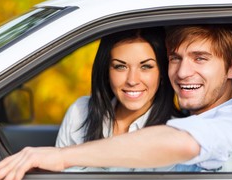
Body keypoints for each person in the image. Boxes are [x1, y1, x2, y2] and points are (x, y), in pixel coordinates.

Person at [0, 24, 232, 180]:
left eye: (200, 59)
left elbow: (181, 142)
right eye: (175, 59)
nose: (182, 72)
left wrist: (63, 156)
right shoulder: (83, 111)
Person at [56, 27, 182, 171]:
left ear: (162, 72)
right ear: (106, 71)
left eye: (146, 66)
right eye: (120, 67)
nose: (132, 80)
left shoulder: (175, 133)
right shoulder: (80, 112)